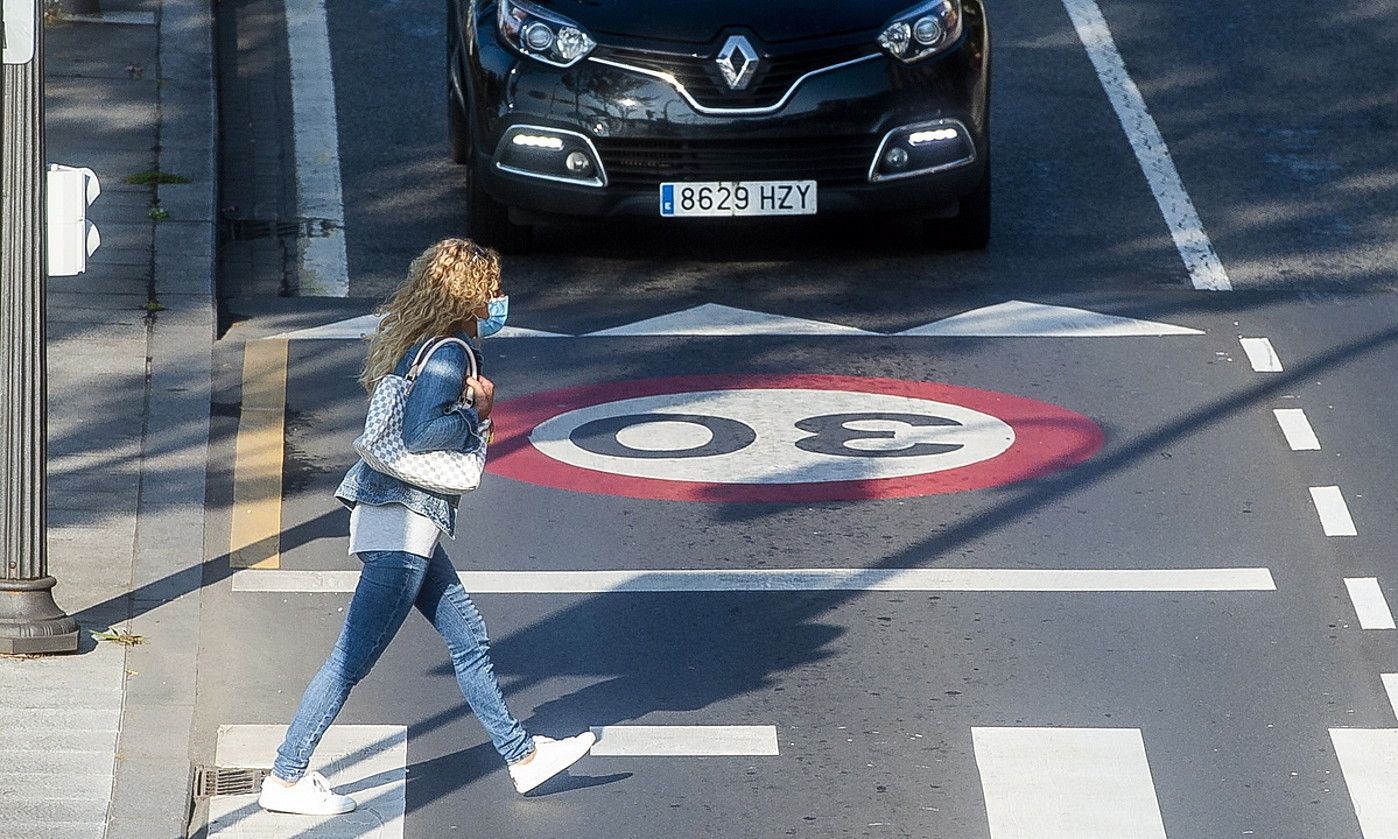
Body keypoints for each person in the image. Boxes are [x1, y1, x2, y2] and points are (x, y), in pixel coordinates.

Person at [258, 238, 594, 816]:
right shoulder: (449, 356)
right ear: (469, 295)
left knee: (470, 640)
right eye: (491, 291)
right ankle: (286, 777)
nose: (498, 301)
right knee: (349, 662)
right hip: (405, 534)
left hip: (405, 526)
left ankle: (522, 757)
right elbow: (421, 435)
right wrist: (477, 415)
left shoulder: (419, 346)